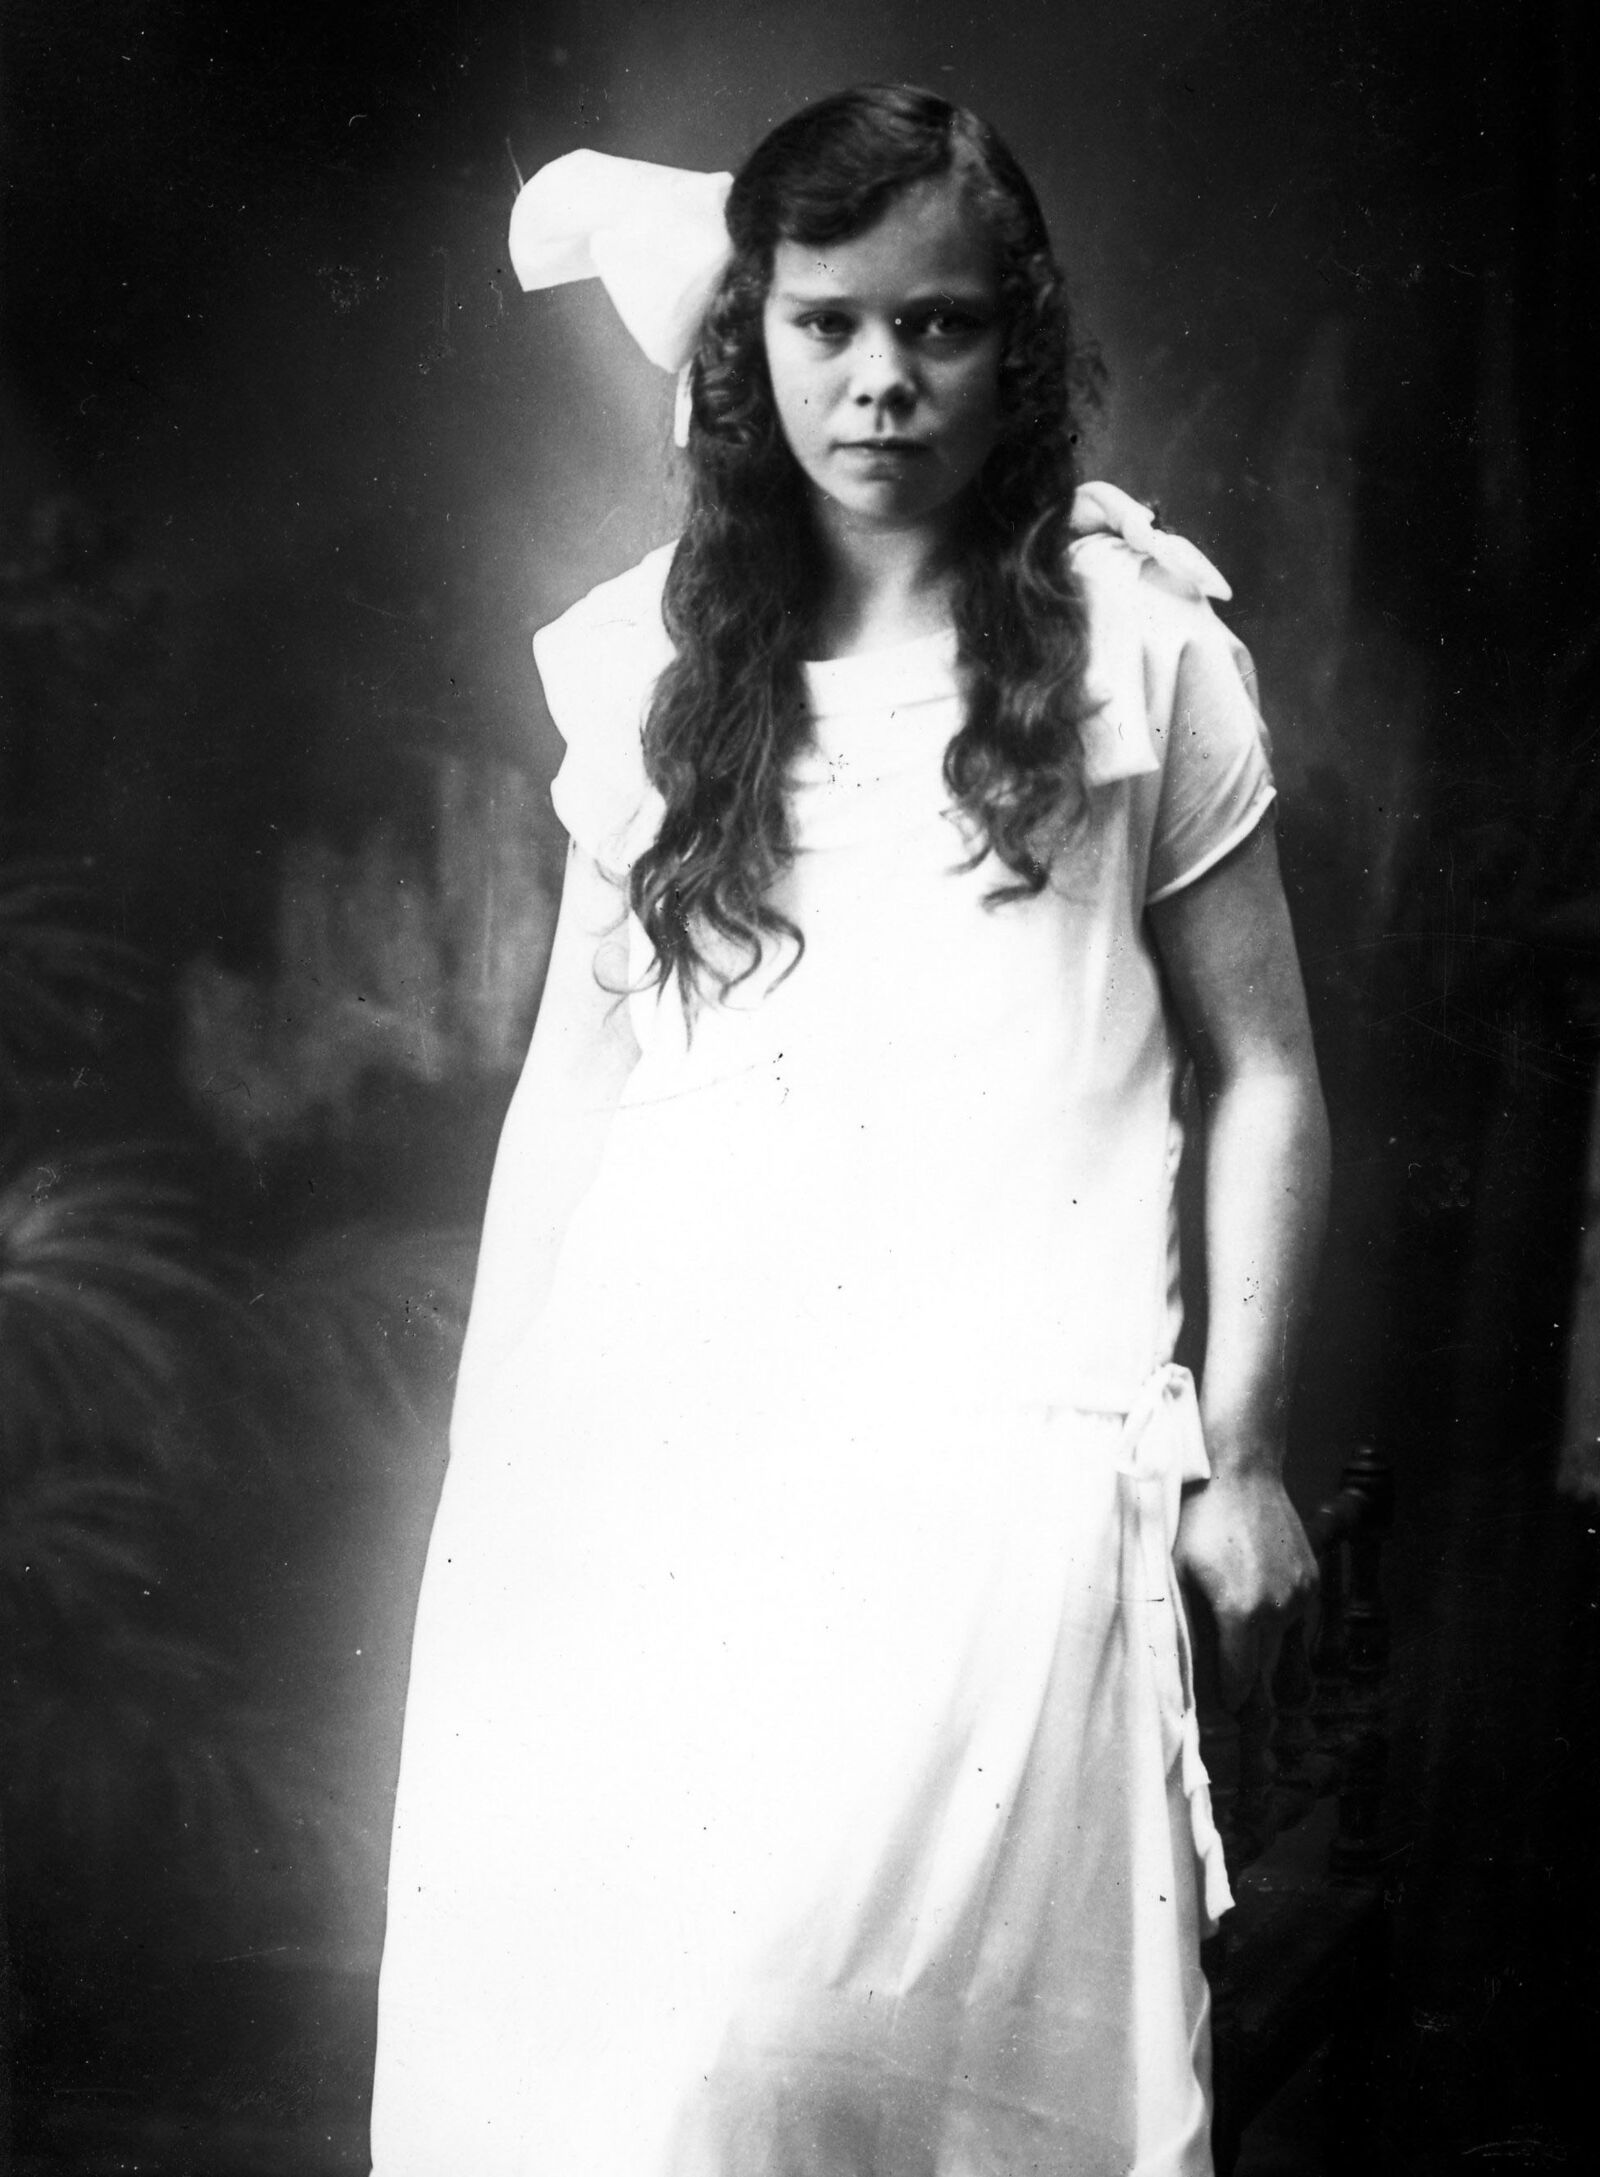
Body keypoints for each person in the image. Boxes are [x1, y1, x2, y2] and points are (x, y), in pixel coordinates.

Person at [369, 83, 1329, 2177]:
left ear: (1018, 342)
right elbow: (574, 1083)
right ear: (755, 343)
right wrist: (496, 1439)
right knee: (660, 2074)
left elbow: (1262, 1066)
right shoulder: (656, 666)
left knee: (914, 2067)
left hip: (1004, 1456)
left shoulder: (1142, 647)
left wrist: (1243, 1455)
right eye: (826, 325)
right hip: (668, 1446)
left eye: (938, 324)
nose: (880, 379)